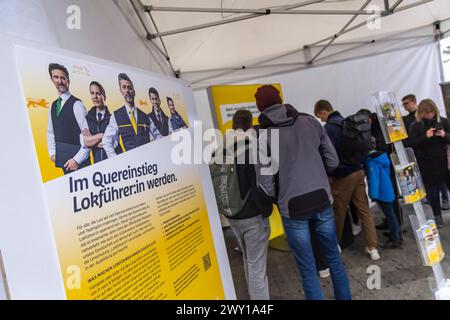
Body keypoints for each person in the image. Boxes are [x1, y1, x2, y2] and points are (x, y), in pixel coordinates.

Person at [256, 85, 351, 300]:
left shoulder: (262, 137)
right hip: (321, 198)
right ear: (280, 100)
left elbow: (264, 182)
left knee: (308, 269)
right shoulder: (310, 121)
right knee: (334, 259)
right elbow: (333, 161)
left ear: (260, 108)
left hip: (292, 208)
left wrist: (279, 198)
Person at [314, 100, 380, 261]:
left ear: (324, 112)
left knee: (338, 212)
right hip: (358, 171)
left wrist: (330, 173)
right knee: (364, 210)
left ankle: (334, 244)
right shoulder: (347, 122)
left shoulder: (329, 129)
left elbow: (328, 155)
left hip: (343, 175)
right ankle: (373, 248)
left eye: (320, 117)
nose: (321, 120)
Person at [225, 110, 273, 300]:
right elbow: (260, 183)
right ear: (250, 124)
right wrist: (266, 207)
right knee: (257, 268)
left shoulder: (223, 147)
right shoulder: (251, 147)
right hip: (253, 216)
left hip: (233, 216)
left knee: (249, 261)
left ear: (233, 125)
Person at [409, 99, 450, 227]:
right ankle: (437, 216)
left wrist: (444, 135)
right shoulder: (415, 126)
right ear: (421, 112)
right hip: (427, 165)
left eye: (431, 112)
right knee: (433, 192)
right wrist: (425, 137)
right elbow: (413, 144)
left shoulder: (443, 121)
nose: (429, 115)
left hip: (445, 162)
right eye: (426, 113)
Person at [47, 63, 90, 174]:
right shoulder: (53, 105)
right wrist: (52, 153)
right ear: (52, 80)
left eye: (63, 78)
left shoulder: (77, 104)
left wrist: (77, 160)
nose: (59, 81)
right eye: (56, 77)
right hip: (63, 162)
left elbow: (88, 137)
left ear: (68, 80)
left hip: (80, 163)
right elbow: (50, 132)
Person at [102, 73, 159, 157]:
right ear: (121, 91)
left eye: (130, 88)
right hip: (129, 167)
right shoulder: (116, 116)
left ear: (134, 92)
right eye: (124, 87)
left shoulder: (145, 117)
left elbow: (158, 138)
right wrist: (116, 160)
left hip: (147, 164)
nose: (127, 90)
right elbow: (106, 141)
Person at [364, 143, 403, 248]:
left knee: (390, 215)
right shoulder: (382, 157)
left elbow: (374, 179)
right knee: (392, 214)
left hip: (382, 193)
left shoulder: (371, 161)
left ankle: (395, 238)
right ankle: (397, 233)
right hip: (388, 189)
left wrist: (373, 195)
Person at [82, 81, 121, 163]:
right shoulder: (87, 118)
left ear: (104, 97)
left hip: (113, 162)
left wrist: (93, 140)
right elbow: (84, 142)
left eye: (98, 93)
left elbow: (115, 144)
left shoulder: (112, 118)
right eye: (92, 93)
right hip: (97, 164)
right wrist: (103, 136)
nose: (95, 97)